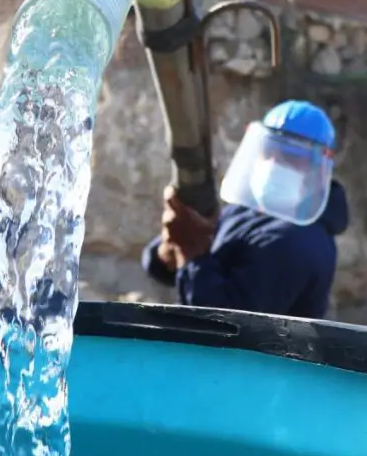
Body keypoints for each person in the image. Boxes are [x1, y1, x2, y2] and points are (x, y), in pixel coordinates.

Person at [141, 99, 349, 319]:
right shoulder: (246, 211)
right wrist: (170, 246)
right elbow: (163, 267)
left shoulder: (299, 242)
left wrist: (190, 253)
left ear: (317, 170)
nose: (274, 163)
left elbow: (224, 325)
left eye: (291, 157)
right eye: (268, 151)